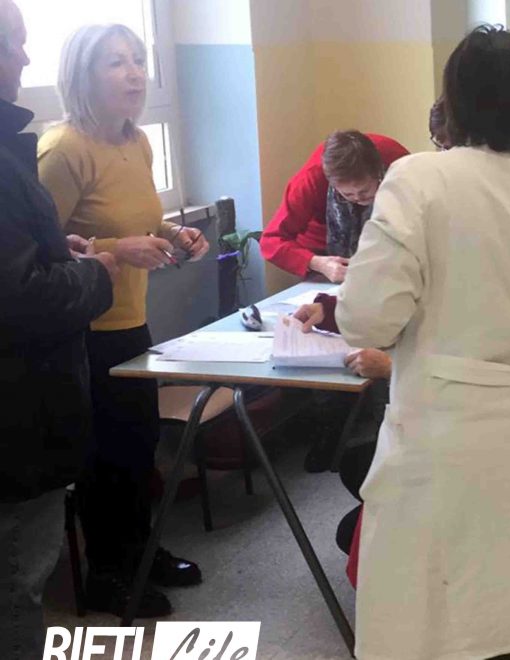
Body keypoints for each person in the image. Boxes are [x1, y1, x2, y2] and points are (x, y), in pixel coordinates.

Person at [296, 26, 510, 660]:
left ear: (456, 100)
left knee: (437, 621)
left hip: (447, 438)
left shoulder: (418, 180)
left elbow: (366, 320)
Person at [37, 23, 210, 618]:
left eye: (138, 59)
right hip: (82, 333)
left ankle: (141, 553)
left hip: (131, 320)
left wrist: (172, 233)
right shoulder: (63, 150)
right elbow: (41, 252)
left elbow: (140, 220)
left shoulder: (136, 142)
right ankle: (107, 574)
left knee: (138, 446)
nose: (135, 73)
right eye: (116, 62)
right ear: (82, 75)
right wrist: (119, 247)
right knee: (103, 459)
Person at [0, 3, 115, 655]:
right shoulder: (54, 149)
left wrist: (57, 253)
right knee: (18, 583)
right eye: (14, 43)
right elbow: (18, 297)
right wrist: (95, 271)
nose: (24, 58)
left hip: (31, 404)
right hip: (16, 420)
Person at [259, 129, 408, 283]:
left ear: (377, 173)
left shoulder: (400, 164)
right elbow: (271, 241)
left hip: (388, 242)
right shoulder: (310, 180)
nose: (357, 198)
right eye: (347, 194)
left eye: (364, 191)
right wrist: (317, 263)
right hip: (325, 252)